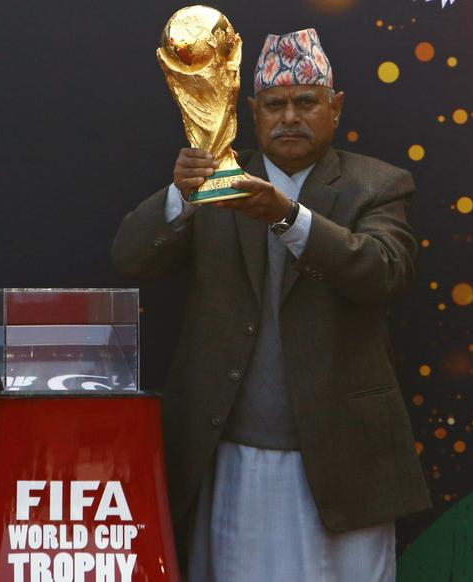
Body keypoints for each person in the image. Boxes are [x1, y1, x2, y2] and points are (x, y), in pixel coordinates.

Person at [112, 28, 430, 581]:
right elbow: (130, 259)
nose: (289, 118)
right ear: (254, 113)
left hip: (342, 459)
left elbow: (385, 271)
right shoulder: (219, 180)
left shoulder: (377, 184)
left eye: (306, 103)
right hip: (233, 453)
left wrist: (288, 216)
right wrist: (181, 195)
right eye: (275, 105)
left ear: (335, 108)